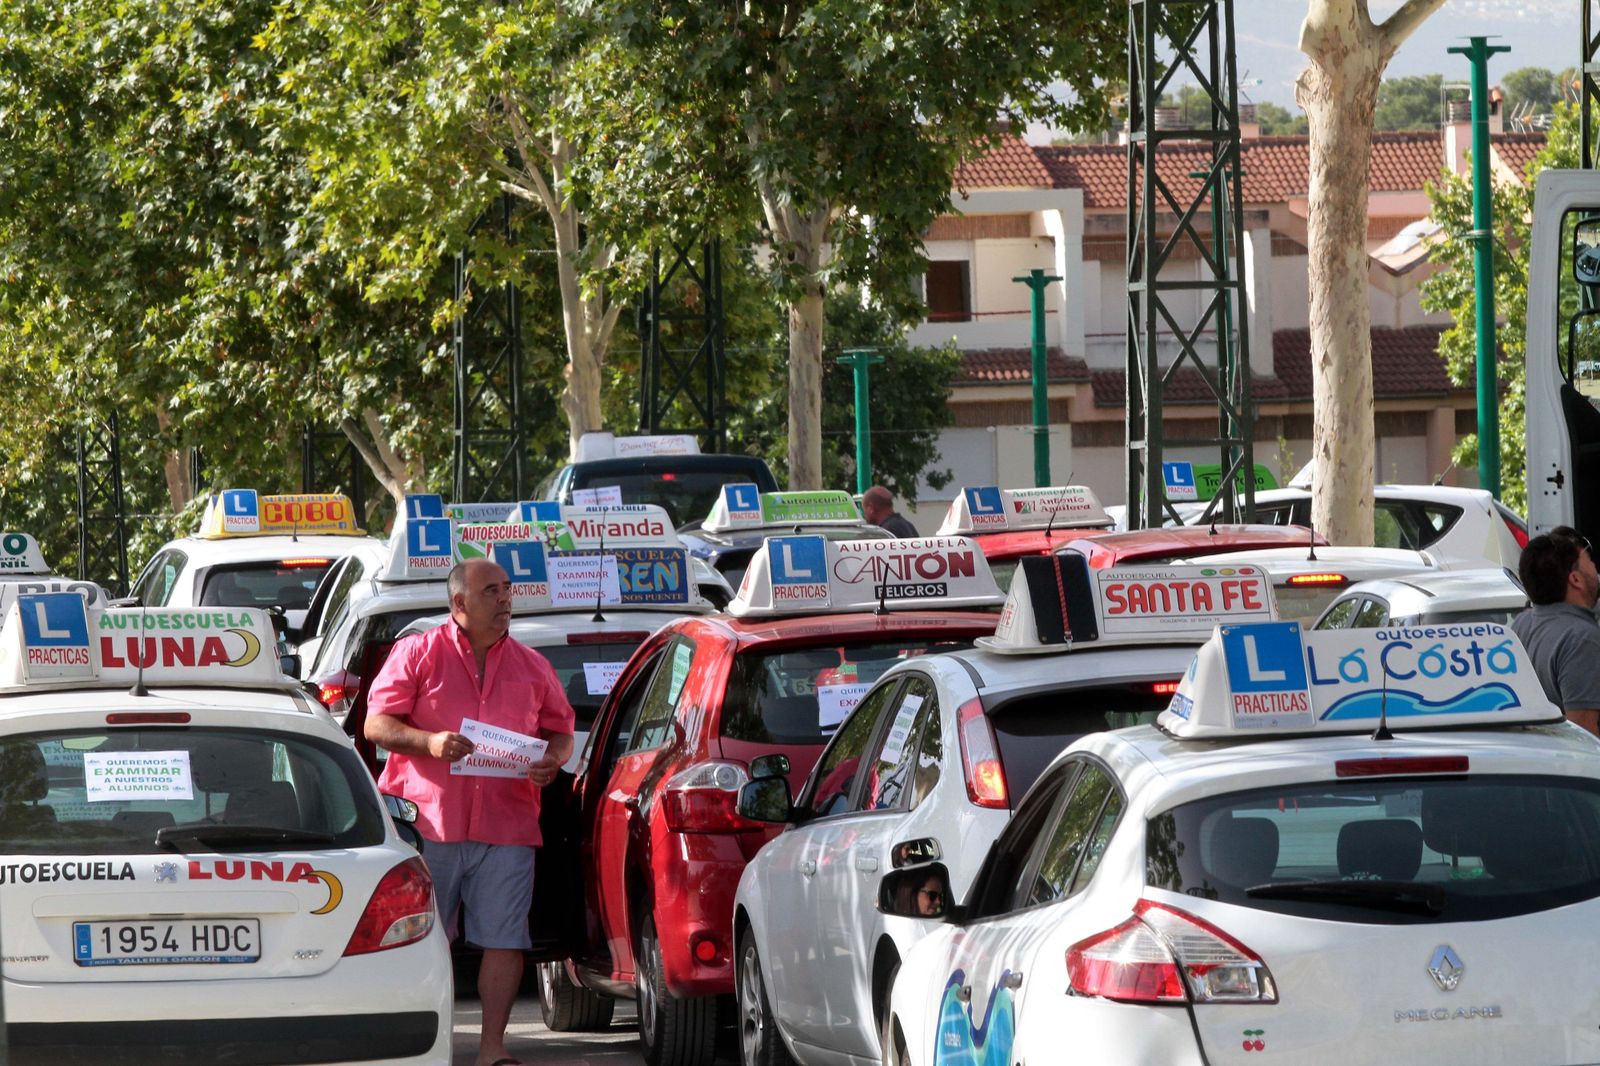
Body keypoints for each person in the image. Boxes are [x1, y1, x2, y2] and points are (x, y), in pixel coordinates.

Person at [364, 557, 574, 1066]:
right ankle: (423, 1050)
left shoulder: (532, 665)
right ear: (459, 603)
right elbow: (376, 725)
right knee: (417, 941)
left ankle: (491, 1051)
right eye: (491, 592)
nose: (505, 599)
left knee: (504, 942)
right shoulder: (417, 653)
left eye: (507, 589)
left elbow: (562, 731)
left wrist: (551, 761)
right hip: (426, 827)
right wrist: (428, 741)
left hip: (507, 827)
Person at [1512, 526, 1600, 737]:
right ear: (1576, 579)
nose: (1595, 567)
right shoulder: (1581, 638)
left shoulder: (1521, 624)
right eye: (1589, 561)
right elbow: (1584, 738)